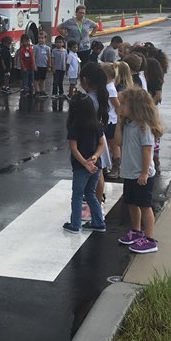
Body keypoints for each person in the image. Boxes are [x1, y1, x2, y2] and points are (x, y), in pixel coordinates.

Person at [114, 87, 163, 254]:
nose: (120, 107)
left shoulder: (144, 127)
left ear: (134, 106)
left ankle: (149, 239)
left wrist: (143, 172)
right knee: (131, 203)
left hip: (142, 174)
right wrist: (119, 123)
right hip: (129, 172)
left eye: (123, 104)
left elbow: (147, 150)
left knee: (144, 205)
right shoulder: (128, 124)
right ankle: (136, 231)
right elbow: (118, 142)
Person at [63, 94, 107, 233]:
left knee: (77, 195)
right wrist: (94, 157)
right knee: (90, 194)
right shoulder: (96, 124)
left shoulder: (75, 126)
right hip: (96, 166)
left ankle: (75, 224)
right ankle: (98, 222)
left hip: (81, 167)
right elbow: (101, 144)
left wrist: (84, 163)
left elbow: (74, 148)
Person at [79, 62, 111, 205]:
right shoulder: (101, 95)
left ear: (85, 80)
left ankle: (96, 203)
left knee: (95, 173)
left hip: (90, 141)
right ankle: (98, 200)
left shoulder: (88, 100)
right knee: (99, 172)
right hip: (99, 138)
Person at [101, 62, 121, 178]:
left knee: (113, 144)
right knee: (106, 143)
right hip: (106, 119)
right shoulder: (106, 86)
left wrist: (120, 118)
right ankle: (105, 165)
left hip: (112, 120)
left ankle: (116, 167)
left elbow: (117, 105)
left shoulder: (111, 89)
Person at [33, 31, 51, 97]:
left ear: (45, 39)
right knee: (36, 79)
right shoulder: (35, 47)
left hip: (44, 66)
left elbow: (49, 57)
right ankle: (37, 91)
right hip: (37, 66)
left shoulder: (47, 48)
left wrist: (49, 66)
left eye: (42, 38)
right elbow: (33, 56)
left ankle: (42, 90)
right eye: (39, 38)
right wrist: (34, 65)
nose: (40, 39)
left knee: (42, 79)